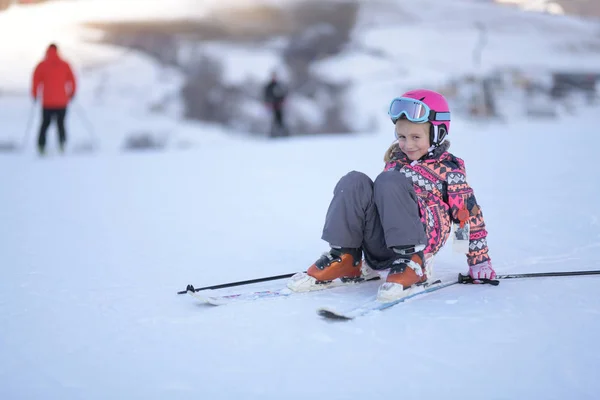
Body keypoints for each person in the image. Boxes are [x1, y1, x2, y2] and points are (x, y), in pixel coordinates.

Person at [288, 89, 495, 302]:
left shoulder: (449, 171)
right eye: (402, 137)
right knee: (354, 181)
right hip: (382, 245)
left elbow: (467, 216)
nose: (408, 144)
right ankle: (347, 257)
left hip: (420, 244)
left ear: (438, 134)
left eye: (416, 137)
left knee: (388, 181)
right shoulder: (396, 162)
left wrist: (479, 260)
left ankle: (412, 262)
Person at [32, 43, 77, 155]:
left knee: (45, 124)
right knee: (61, 124)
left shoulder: (42, 65)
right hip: (62, 101)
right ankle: (62, 144)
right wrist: (72, 93)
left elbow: (35, 80)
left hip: (47, 102)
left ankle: (41, 145)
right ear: (58, 51)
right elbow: (72, 79)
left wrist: (34, 94)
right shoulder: (65, 64)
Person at [263, 71, 288, 137]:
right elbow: (266, 95)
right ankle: (272, 134)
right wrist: (267, 103)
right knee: (272, 121)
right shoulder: (269, 86)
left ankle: (283, 134)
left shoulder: (279, 85)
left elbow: (283, 94)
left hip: (279, 106)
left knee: (280, 120)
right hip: (272, 106)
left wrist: (283, 102)